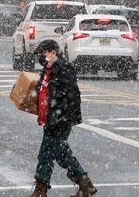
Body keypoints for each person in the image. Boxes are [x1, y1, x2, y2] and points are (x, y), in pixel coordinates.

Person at [29, 40, 97, 197]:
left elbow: (72, 96)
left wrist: (61, 117)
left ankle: (41, 190)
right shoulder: (48, 69)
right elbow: (44, 90)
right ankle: (84, 184)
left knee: (46, 154)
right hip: (50, 118)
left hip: (60, 120)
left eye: (43, 54)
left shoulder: (63, 68)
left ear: (53, 52)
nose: (41, 58)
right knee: (60, 153)